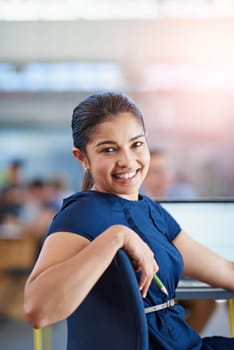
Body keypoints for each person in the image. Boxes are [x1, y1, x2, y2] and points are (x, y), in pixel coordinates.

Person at [24, 92, 234, 350]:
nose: (127, 161)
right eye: (109, 149)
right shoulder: (83, 213)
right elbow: (38, 310)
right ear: (82, 158)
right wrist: (117, 237)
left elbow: (225, 271)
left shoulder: (152, 212)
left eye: (136, 144)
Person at [142, 149, 216, 334]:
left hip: (183, 275)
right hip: (154, 280)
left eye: (167, 170)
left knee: (206, 302)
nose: (164, 176)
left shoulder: (185, 205)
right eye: (157, 171)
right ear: (144, 174)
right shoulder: (139, 207)